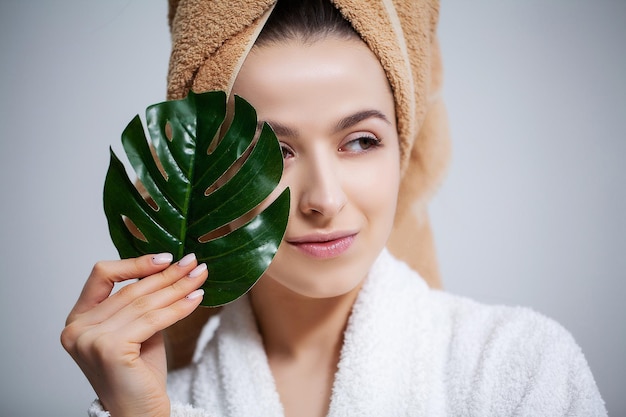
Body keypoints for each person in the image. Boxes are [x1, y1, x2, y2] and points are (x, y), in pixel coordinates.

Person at [61, 1, 607, 416]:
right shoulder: (158, 402)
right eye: (269, 153)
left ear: (404, 149)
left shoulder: (521, 370)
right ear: (206, 172)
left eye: (361, 141)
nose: (324, 199)